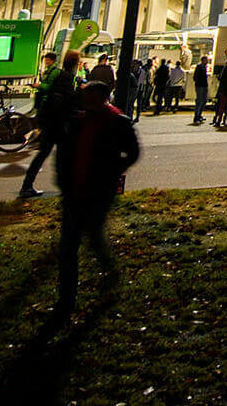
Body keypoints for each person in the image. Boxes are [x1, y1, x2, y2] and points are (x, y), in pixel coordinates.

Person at [50, 81, 141, 321]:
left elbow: (132, 152)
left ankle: (107, 273)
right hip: (75, 191)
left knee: (90, 237)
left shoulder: (117, 122)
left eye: (89, 97)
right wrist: (64, 179)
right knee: (69, 245)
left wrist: (113, 171)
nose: (84, 101)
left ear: (102, 98)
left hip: (98, 191)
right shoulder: (78, 121)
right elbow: (65, 153)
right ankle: (66, 299)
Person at [21, 50, 80, 198]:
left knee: (43, 154)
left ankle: (27, 186)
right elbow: (68, 101)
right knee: (62, 156)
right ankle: (65, 186)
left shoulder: (58, 75)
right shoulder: (69, 78)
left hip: (50, 120)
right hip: (60, 122)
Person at [192, 56, 211, 125]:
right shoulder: (199, 67)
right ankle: (197, 115)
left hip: (203, 85)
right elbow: (196, 77)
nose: (207, 61)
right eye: (206, 60)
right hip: (200, 86)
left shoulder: (204, 67)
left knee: (203, 100)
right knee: (200, 100)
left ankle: (199, 114)